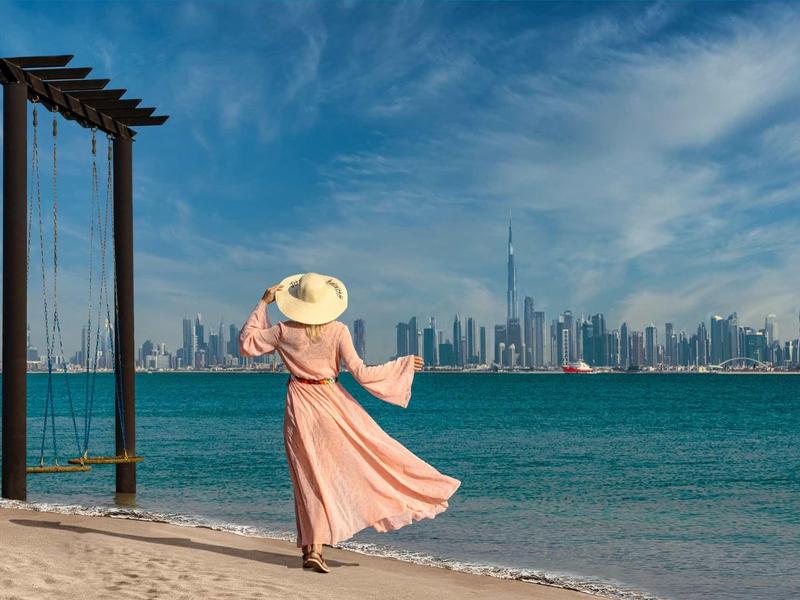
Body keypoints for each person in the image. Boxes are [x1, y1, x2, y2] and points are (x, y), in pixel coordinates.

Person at [239, 272, 461, 573]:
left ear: (296, 301)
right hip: (333, 403)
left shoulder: (282, 330)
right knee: (340, 470)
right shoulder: (338, 330)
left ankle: (312, 550)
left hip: (301, 405)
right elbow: (361, 372)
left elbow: (248, 343)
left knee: (306, 477)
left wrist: (263, 303)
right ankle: (315, 549)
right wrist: (402, 365)